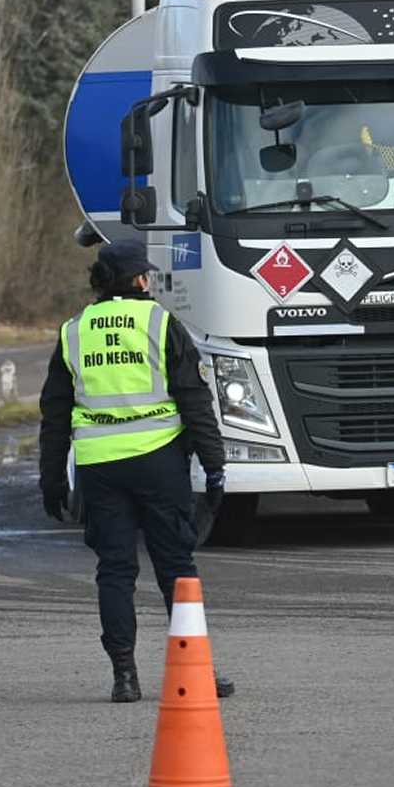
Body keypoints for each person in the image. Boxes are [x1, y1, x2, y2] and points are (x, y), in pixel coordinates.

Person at [38, 240, 234, 704]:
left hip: (99, 467)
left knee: (115, 569)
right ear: (139, 280)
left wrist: (51, 478)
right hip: (159, 460)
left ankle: (124, 675)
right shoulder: (161, 323)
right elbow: (194, 402)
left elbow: (55, 413)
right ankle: (196, 672)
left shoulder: (74, 331)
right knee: (176, 566)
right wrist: (215, 465)